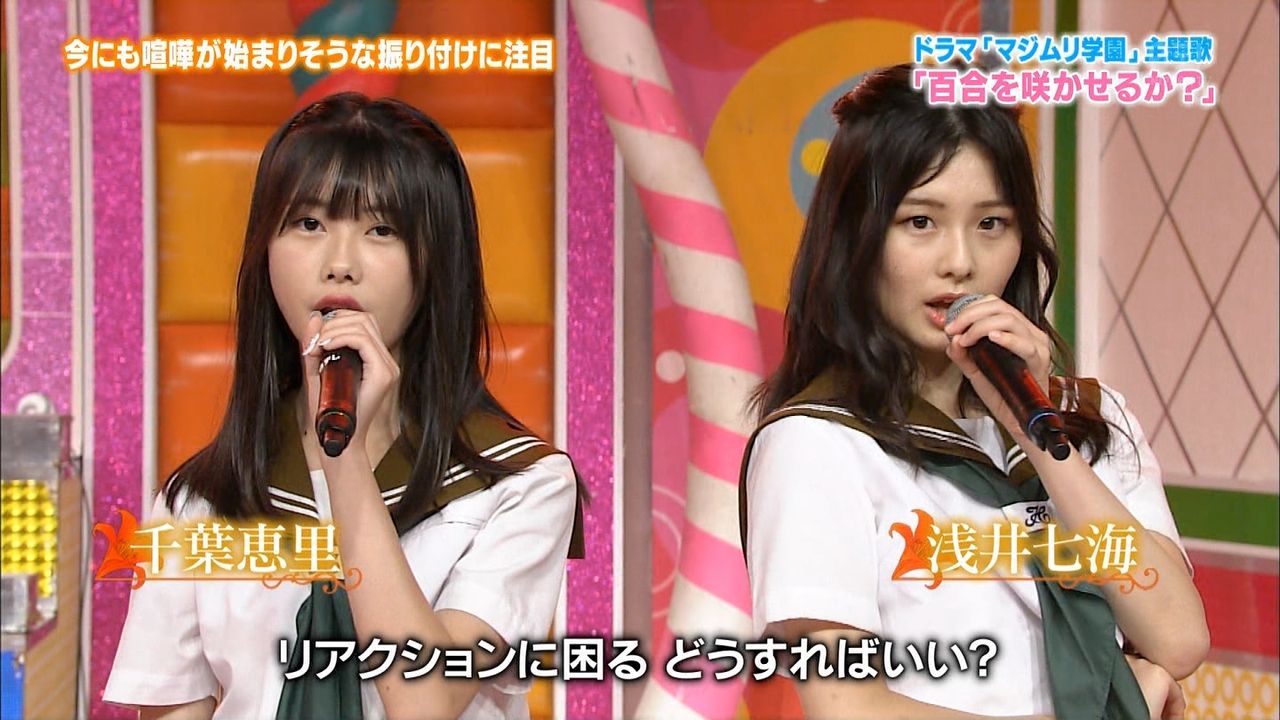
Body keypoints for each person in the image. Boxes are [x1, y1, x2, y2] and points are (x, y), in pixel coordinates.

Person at [741, 64, 1208, 719]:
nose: (960, 261)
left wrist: (1035, 429)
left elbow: (1178, 639)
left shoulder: (1091, 418)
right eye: (920, 222)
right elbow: (847, 707)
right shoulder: (818, 442)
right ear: (856, 236)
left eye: (991, 224)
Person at [104, 93, 582, 720]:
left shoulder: (518, 485)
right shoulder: (199, 499)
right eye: (309, 224)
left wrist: (345, 460)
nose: (340, 265)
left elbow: (427, 702)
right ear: (264, 249)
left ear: (435, 263)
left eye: (382, 230)